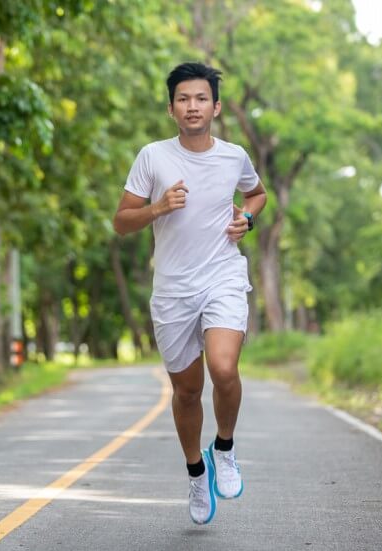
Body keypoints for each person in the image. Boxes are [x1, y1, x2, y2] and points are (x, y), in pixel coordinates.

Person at [112, 62, 267, 525]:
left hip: (222, 275)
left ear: (215, 107)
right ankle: (196, 473)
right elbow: (122, 221)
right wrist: (157, 207)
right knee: (185, 391)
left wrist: (248, 219)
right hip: (174, 290)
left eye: (201, 98)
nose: (192, 106)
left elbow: (257, 194)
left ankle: (224, 447)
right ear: (171, 108)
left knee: (224, 368)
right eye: (183, 99)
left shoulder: (233, 155)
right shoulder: (153, 157)